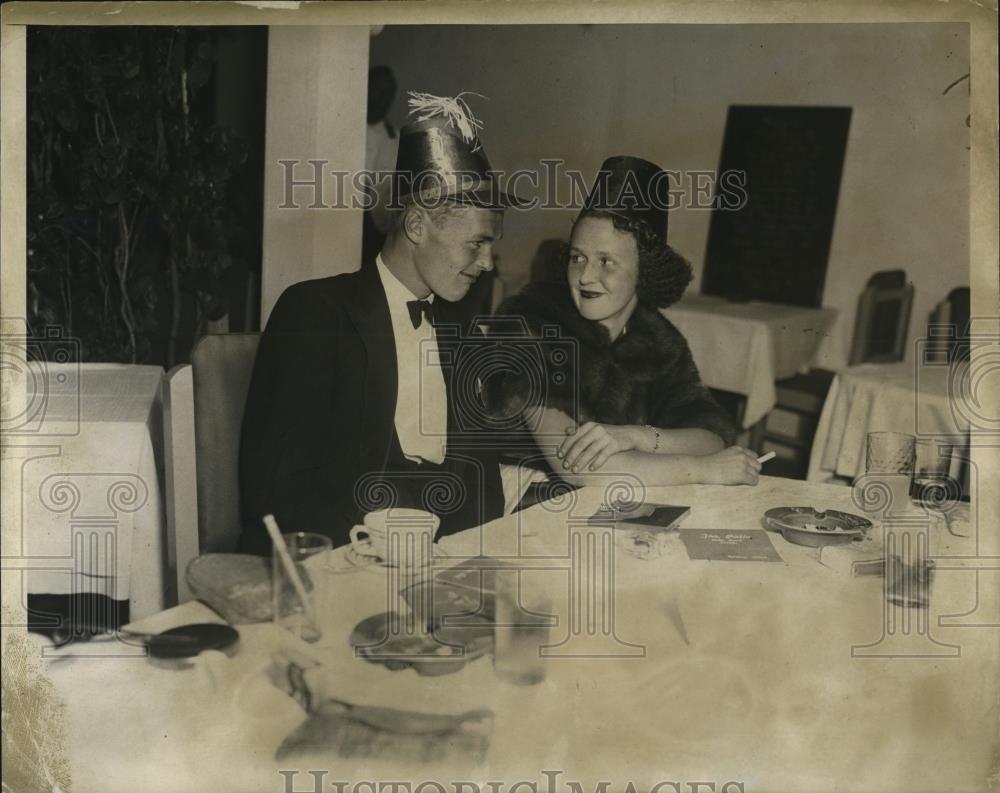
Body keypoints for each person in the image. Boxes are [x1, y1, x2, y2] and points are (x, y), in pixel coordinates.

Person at [238, 93, 522, 554]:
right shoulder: (315, 311)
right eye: (476, 244)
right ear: (415, 226)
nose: (488, 262)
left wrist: (471, 558)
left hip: (442, 557)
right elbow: (276, 486)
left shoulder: (460, 326)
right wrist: (376, 544)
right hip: (342, 552)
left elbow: (479, 470)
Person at [487, 155, 761, 489]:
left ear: (645, 272)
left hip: (620, 499)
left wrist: (638, 436)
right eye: (578, 258)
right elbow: (578, 467)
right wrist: (700, 470)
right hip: (524, 503)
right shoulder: (531, 322)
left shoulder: (657, 338)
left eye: (606, 262)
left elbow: (713, 436)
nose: (585, 276)